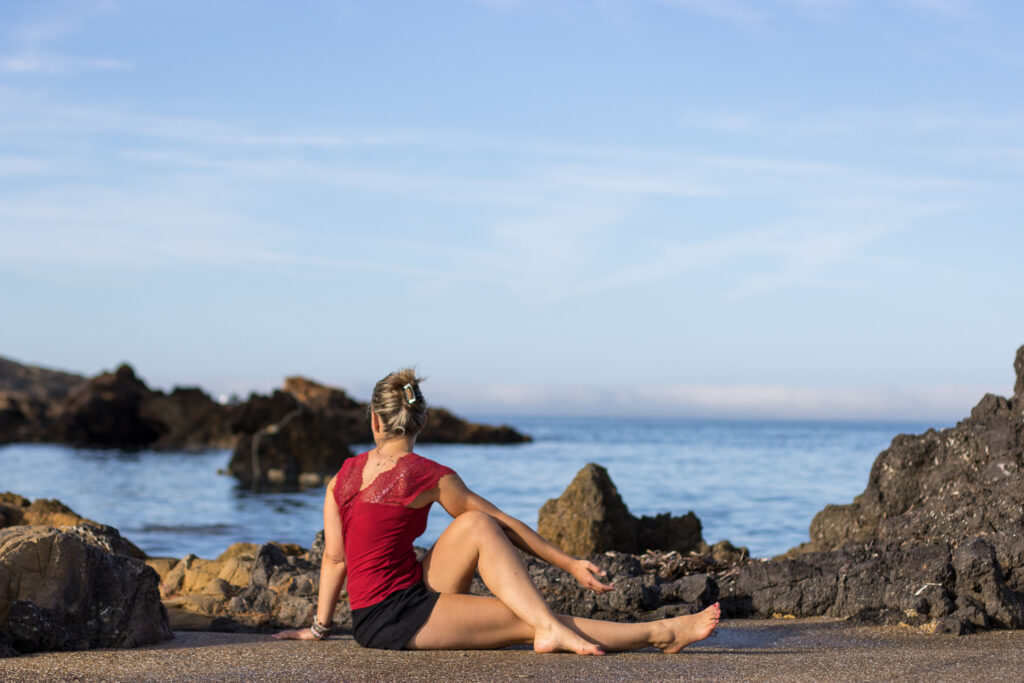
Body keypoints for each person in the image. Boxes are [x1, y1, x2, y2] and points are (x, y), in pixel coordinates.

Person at [273, 369, 720, 654]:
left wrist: (318, 628)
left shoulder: (341, 478)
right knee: (523, 618)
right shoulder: (427, 475)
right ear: (422, 422)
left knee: (475, 525)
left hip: (386, 603)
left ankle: (548, 626)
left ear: (374, 420)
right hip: (392, 620)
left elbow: (335, 560)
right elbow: (507, 521)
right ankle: (662, 633)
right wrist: (566, 562)